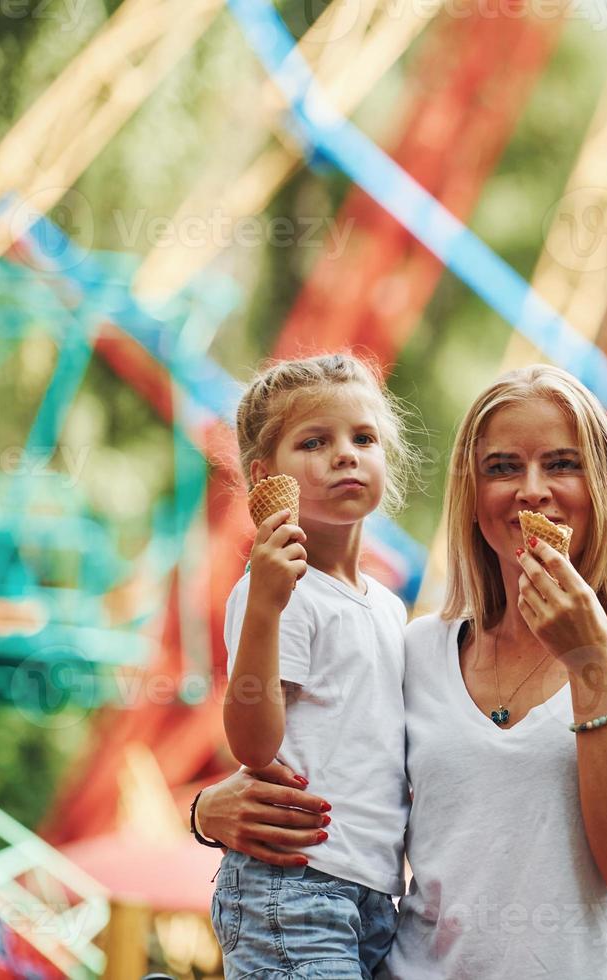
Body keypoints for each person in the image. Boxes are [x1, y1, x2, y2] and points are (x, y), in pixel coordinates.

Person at [195, 364, 607, 978]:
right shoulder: (418, 647)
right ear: (473, 496)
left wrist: (590, 661)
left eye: (562, 464)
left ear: (604, 486)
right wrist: (207, 811)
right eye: (503, 467)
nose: (532, 490)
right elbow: (323, 750)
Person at [211, 352, 423, 979]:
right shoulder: (278, 589)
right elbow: (253, 744)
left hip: (375, 892)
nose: (346, 454)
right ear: (264, 478)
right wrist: (266, 606)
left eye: (364, 438)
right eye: (314, 441)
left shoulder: (388, 607)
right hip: (293, 884)